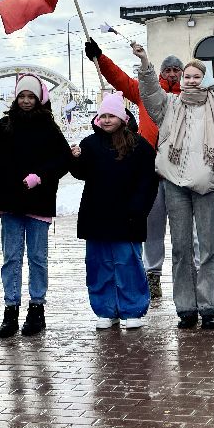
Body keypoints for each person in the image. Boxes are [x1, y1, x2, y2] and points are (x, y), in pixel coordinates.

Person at [138, 44, 214, 328]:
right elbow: (148, 92)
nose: (191, 81)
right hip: (174, 184)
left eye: (196, 77)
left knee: (208, 249)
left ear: (202, 79)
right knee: (181, 249)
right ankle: (185, 308)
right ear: (180, 80)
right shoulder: (169, 106)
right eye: (187, 77)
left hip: (206, 186)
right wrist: (146, 61)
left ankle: (208, 307)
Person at [0, 74, 73, 338]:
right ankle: (10, 309)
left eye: (31, 96)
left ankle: (37, 308)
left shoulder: (49, 128)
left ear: (39, 99)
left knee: (38, 258)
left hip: (38, 201)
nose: (26, 101)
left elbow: (63, 160)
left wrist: (40, 176)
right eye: (22, 96)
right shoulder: (7, 125)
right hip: (11, 202)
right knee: (11, 258)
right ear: (16, 98)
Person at [86, 37, 181, 299]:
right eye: (167, 70)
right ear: (160, 73)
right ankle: (153, 275)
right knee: (152, 227)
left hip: (179, 172)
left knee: (185, 229)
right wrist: (100, 57)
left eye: (176, 70)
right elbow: (119, 79)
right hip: (151, 173)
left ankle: (187, 277)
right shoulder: (144, 92)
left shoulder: (188, 98)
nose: (172, 74)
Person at [68, 92, 159, 329]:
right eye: (103, 116)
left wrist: (138, 209)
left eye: (112, 115)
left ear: (122, 117)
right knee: (99, 266)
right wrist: (75, 159)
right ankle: (105, 309)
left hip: (127, 217)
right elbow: (82, 173)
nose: (107, 120)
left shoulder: (139, 146)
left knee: (127, 264)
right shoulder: (90, 143)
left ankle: (133, 309)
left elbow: (148, 181)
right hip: (96, 216)